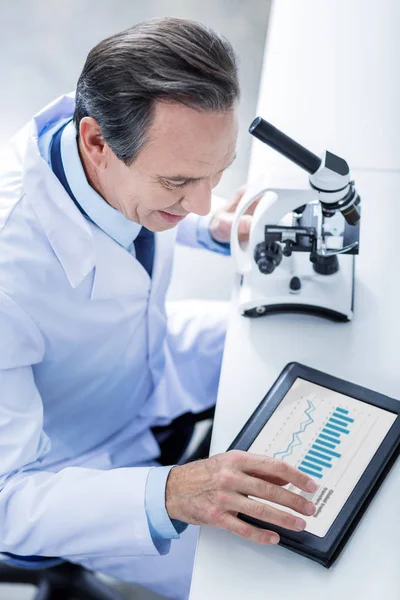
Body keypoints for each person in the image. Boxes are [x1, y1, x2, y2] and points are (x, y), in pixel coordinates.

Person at [0, 18, 317, 599]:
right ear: (97, 142)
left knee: (307, 342)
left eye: (215, 176)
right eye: (179, 182)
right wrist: (171, 493)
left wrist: (215, 228)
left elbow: (123, 215)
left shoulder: (99, 147)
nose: (198, 203)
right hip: (76, 469)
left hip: (146, 356)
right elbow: (6, 502)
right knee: (276, 579)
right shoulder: (7, 274)